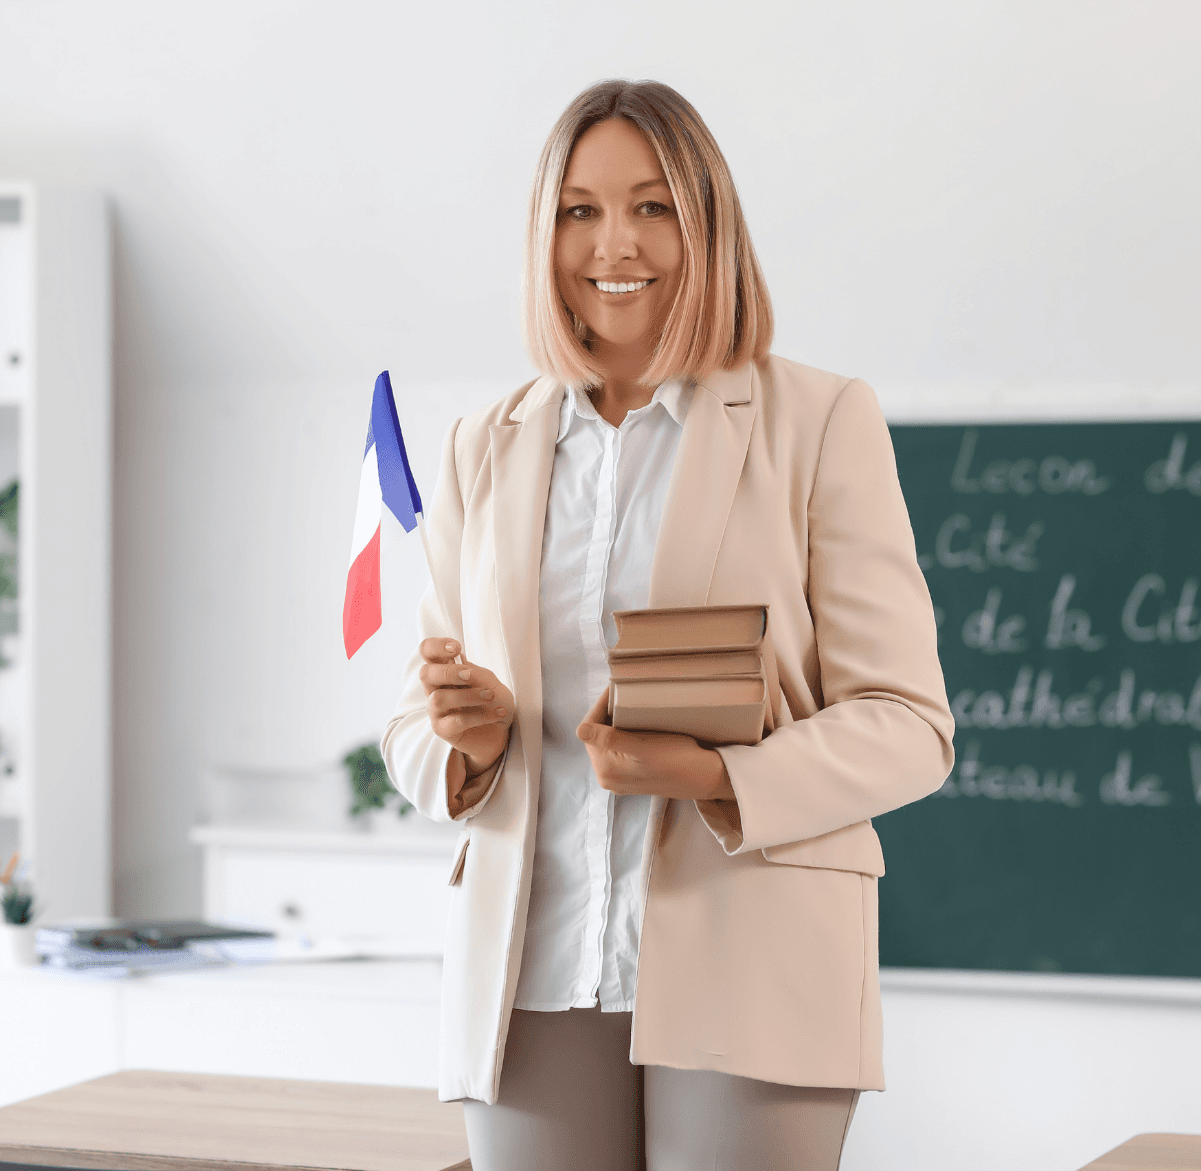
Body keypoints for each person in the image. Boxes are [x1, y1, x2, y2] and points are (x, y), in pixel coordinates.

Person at [381, 78, 955, 1171]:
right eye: (579, 210)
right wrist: (468, 743)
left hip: (755, 954)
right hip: (531, 965)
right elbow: (413, 722)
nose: (616, 244)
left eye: (653, 206)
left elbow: (908, 724)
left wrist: (716, 776)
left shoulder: (820, 420)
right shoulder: (477, 444)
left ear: (707, 224)